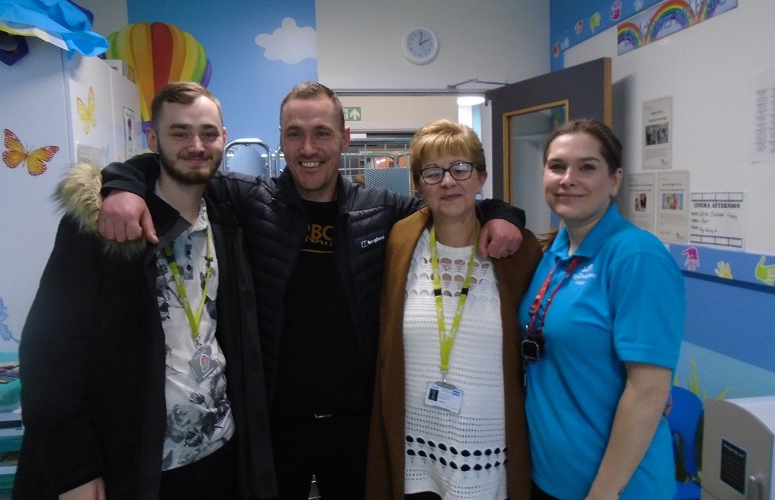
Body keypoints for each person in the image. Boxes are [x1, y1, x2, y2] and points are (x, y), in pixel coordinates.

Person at [92, 82, 527, 499]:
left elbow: (450, 200)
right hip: (274, 426)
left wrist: (503, 214)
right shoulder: (248, 202)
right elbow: (183, 163)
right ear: (280, 138)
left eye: (322, 133)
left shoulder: (383, 211)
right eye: (295, 134)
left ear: (345, 138)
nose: (308, 148)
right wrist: (122, 184)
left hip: (358, 426)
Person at [14, 82, 276, 500]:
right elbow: (49, 353)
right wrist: (74, 470)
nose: (196, 144)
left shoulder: (229, 213)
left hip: (218, 454)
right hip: (133, 465)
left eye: (208, 133)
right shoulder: (105, 226)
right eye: (179, 133)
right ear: (152, 138)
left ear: (224, 139)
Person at [366, 119, 542, 500]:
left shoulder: (519, 250)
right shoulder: (401, 239)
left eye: (461, 168)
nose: (448, 181)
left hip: (491, 446)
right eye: (432, 171)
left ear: (481, 177)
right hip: (416, 444)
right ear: (417, 183)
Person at [518, 119, 685, 499]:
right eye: (557, 166)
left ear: (614, 180)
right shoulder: (552, 252)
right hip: (550, 476)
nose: (568, 178)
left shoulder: (637, 256)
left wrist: (604, 493)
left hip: (617, 487)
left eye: (587, 167)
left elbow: (647, 391)